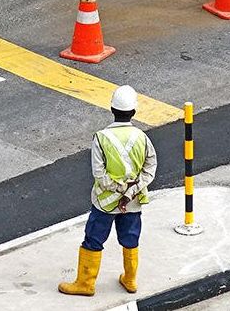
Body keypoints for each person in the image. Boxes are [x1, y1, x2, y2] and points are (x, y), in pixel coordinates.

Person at [59, 85, 157, 297]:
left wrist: (117, 189)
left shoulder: (101, 138)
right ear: (134, 111)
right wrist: (130, 191)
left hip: (105, 202)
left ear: (112, 109)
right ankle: (130, 280)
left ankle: (85, 283)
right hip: (132, 202)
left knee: (94, 239)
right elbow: (150, 169)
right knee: (131, 238)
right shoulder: (142, 137)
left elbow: (99, 173)